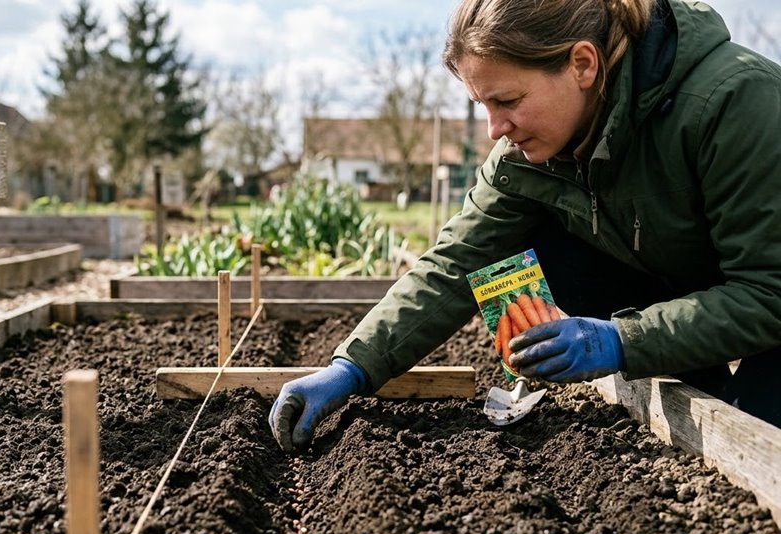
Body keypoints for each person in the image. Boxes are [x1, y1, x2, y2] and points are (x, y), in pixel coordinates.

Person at [269, 0, 781, 453]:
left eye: (508, 102)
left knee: (755, 441)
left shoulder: (734, 102)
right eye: (483, 105)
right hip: (695, 287)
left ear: (583, 63)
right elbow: (456, 261)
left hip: (768, 305)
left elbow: (769, 291)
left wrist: (623, 340)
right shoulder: (527, 153)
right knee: (525, 242)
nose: (496, 129)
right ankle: (698, 384)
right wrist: (352, 367)